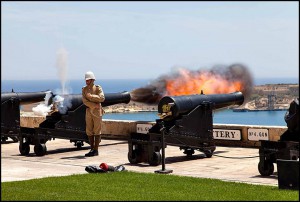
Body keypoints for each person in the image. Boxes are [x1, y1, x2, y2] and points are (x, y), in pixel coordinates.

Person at [82, 71, 105, 157]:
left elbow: (102, 98)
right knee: (89, 131)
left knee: (97, 130)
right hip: (89, 111)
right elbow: (84, 101)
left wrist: (91, 96)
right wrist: (94, 105)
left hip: (97, 112)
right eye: (86, 80)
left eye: (88, 80)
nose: (86, 82)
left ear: (92, 80)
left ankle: (96, 149)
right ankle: (92, 149)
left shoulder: (98, 88)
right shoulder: (84, 89)